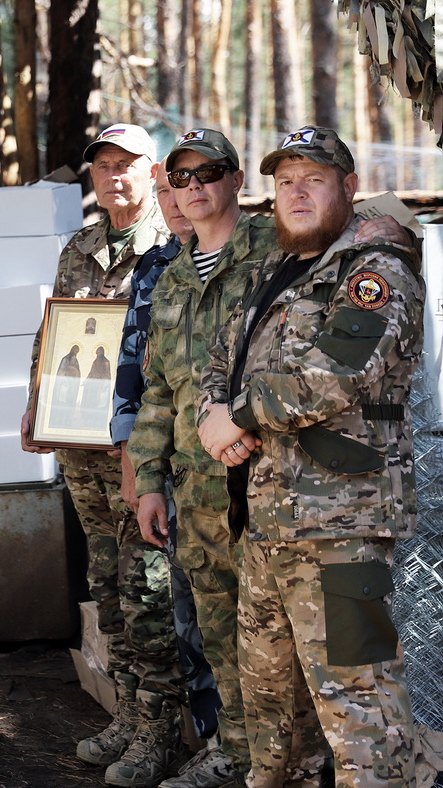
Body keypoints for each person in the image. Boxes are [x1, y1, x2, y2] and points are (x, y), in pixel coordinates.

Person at [197, 126, 423, 786]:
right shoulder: (273, 271)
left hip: (338, 536)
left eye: (314, 179)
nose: (296, 192)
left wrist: (235, 415)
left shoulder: (374, 273)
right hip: (264, 530)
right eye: (285, 180)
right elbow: (221, 357)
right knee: (274, 722)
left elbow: (339, 373)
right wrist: (216, 416)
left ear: (348, 189)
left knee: (361, 714)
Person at [20, 123, 184, 787]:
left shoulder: (168, 245)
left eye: (127, 165)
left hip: (136, 452)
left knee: (147, 589)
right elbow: (52, 329)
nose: (113, 177)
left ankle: (160, 730)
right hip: (78, 447)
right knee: (107, 585)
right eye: (102, 165)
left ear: (153, 172)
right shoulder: (80, 244)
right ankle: (126, 713)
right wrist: (36, 401)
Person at [126, 129, 276, 788]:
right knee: (217, 633)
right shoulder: (173, 279)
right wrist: (149, 481)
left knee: (278, 637)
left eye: (207, 173)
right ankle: (236, 754)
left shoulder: (276, 254)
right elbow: (157, 390)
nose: (192, 188)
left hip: (268, 488)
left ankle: (289, 762)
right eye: (180, 178)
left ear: (236, 179)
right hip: (195, 491)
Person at [110, 163, 228, 788]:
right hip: (175, 469)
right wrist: (139, 463)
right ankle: (204, 740)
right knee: (182, 611)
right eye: (170, 189)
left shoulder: (254, 260)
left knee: (232, 622)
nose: (184, 200)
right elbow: (142, 378)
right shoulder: (159, 272)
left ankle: (236, 749)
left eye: (195, 185)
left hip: (235, 479)